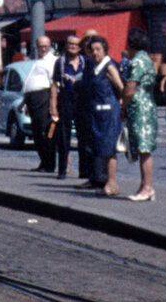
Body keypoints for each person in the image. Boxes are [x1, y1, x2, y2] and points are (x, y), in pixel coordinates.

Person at [82, 35, 124, 197]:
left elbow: (121, 88)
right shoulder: (95, 67)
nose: (95, 53)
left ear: (105, 50)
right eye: (92, 50)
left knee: (109, 148)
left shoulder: (109, 67)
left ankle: (112, 183)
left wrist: (122, 107)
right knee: (101, 148)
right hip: (98, 113)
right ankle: (109, 182)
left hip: (108, 113)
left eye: (98, 49)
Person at [121, 29, 158, 201]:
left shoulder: (136, 62)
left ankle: (148, 187)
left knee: (143, 148)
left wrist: (123, 107)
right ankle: (144, 185)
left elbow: (130, 89)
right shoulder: (148, 60)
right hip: (149, 106)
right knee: (144, 148)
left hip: (139, 108)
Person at [49, 34, 86, 179]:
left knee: (83, 135)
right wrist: (53, 106)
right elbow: (54, 85)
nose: (73, 47)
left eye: (76, 44)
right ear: (66, 45)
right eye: (71, 44)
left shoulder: (85, 62)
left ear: (80, 47)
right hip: (66, 98)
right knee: (64, 136)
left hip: (82, 100)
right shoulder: (60, 62)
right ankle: (62, 170)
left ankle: (84, 171)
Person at [22, 35, 58, 173]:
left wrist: (52, 105)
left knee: (45, 132)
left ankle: (49, 164)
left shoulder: (52, 61)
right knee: (37, 133)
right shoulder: (38, 61)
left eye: (45, 46)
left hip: (44, 98)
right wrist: (26, 102)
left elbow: (53, 84)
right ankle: (43, 162)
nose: (43, 49)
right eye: (40, 46)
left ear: (50, 46)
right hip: (33, 100)